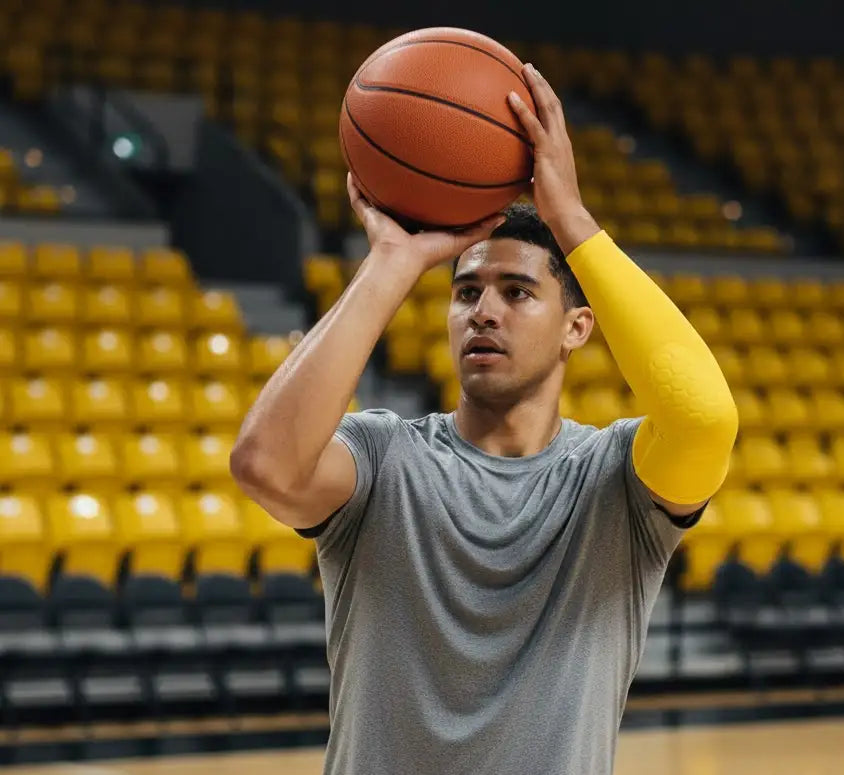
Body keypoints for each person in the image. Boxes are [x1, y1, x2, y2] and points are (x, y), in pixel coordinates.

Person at [231, 63, 738, 775]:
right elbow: (265, 466)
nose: (484, 312)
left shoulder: (617, 483)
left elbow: (704, 419)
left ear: (577, 327)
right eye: (466, 292)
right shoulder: (382, 457)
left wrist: (571, 220)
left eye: (517, 291)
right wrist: (392, 261)